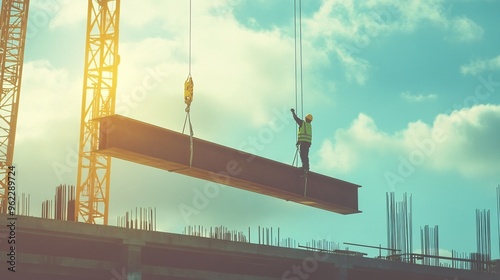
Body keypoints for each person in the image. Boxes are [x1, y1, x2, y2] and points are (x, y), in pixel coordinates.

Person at [291, 108, 313, 173]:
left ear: (306, 118)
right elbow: (304, 134)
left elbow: (296, 119)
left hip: (304, 142)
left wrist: (293, 112)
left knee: (303, 154)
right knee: (305, 154)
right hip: (307, 143)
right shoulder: (309, 126)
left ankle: (305, 167)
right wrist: (299, 141)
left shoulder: (303, 123)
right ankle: (306, 167)